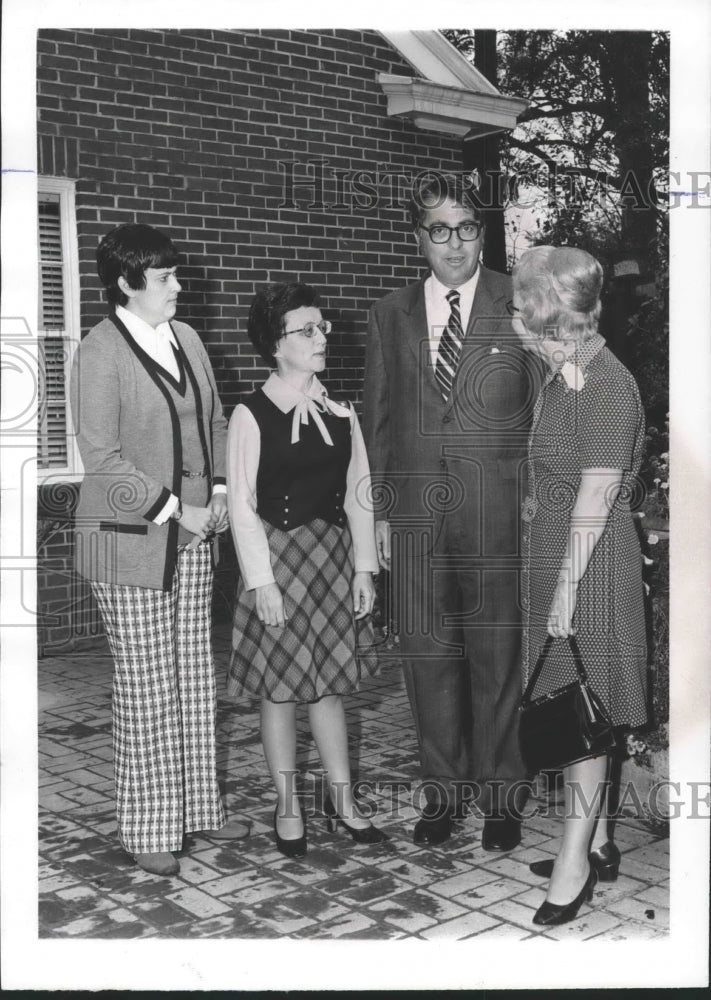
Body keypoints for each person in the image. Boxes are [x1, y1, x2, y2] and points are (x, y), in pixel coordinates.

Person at [362, 172, 539, 850]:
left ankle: (501, 795)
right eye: (439, 230)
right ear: (418, 239)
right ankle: (442, 794)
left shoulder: (514, 301)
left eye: (466, 228)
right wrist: (377, 514)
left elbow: (547, 405)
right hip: (413, 519)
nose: (455, 243)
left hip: (498, 513)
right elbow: (376, 421)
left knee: (497, 655)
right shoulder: (389, 314)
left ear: (481, 232)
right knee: (427, 656)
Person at [70, 223, 250, 877]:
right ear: (126, 282)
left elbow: (219, 419)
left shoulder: (189, 339)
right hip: (129, 541)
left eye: (176, 274)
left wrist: (224, 488)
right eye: (164, 277)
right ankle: (147, 827)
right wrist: (180, 510)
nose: (179, 286)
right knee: (147, 686)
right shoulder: (99, 351)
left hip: (196, 533)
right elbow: (102, 459)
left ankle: (198, 809)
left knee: (193, 678)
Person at [510, 245, 647, 926]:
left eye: (522, 311)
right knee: (574, 710)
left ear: (557, 318)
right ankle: (598, 842)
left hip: (587, 568)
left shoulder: (607, 386)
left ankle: (572, 868)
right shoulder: (565, 375)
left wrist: (562, 595)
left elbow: (594, 498)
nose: (514, 321)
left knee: (583, 722)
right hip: (558, 559)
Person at [226, 281, 387, 857]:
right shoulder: (251, 413)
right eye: (307, 330)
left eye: (323, 327)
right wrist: (260, 581)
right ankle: (287, 803)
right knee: (280, 690)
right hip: (278, 560)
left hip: (331, 561)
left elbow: (359, 495)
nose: (322, 337)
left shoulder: (341, 412)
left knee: (329, 690)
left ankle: (343, 801)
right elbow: (241, 503)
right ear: (276, 343)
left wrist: (364, 570)